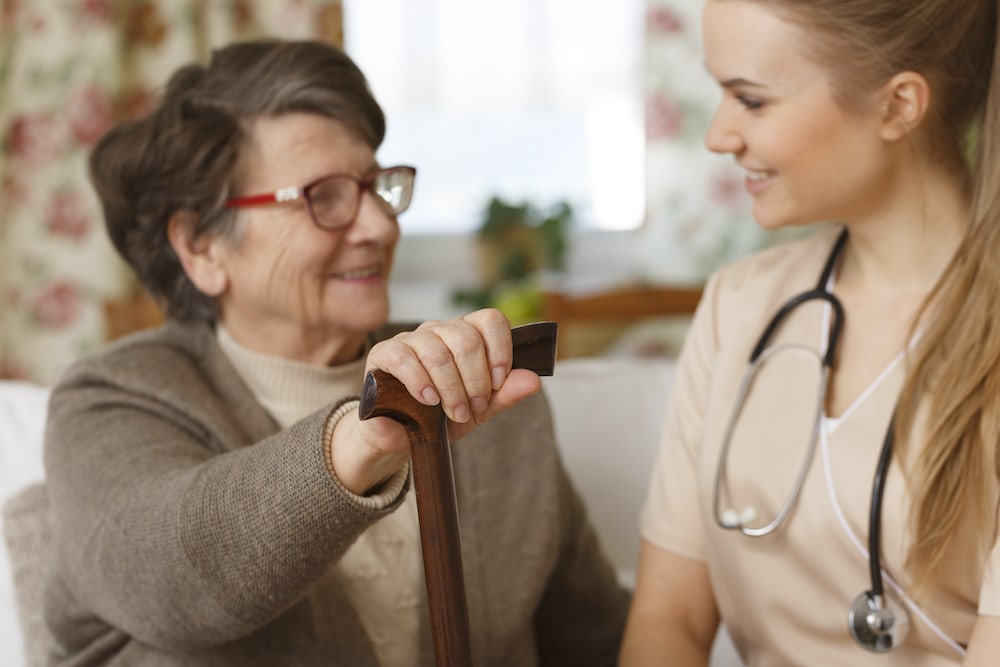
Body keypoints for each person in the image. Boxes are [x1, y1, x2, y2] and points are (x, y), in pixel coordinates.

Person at [41, 38, 628, 666]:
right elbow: (166, 574)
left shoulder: (473, 375)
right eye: (322, 196)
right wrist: (368, 435)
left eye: (378, 187)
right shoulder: (110, 400)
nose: (379, 225)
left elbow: (594, 639)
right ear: (200, 245)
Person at [619, 0, 1000, 665]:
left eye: (752, 100)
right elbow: (669, 618)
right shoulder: (738, 306)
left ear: (898, 105)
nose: (718, 135)